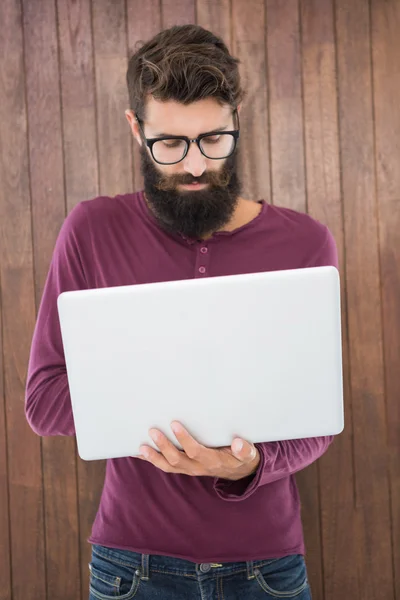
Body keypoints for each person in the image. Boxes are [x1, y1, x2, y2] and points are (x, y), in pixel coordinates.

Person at [25, 24, 339, 600]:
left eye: (213, 139)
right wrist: (158, 406)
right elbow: (44, 400)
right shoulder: (92, 230)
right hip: (130, 566)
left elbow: (317, 421)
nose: (195, 165)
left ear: (237, 119)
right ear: (135, 127)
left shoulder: (307, 244)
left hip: (267, 568)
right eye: (168, 144)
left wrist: (244, 466)